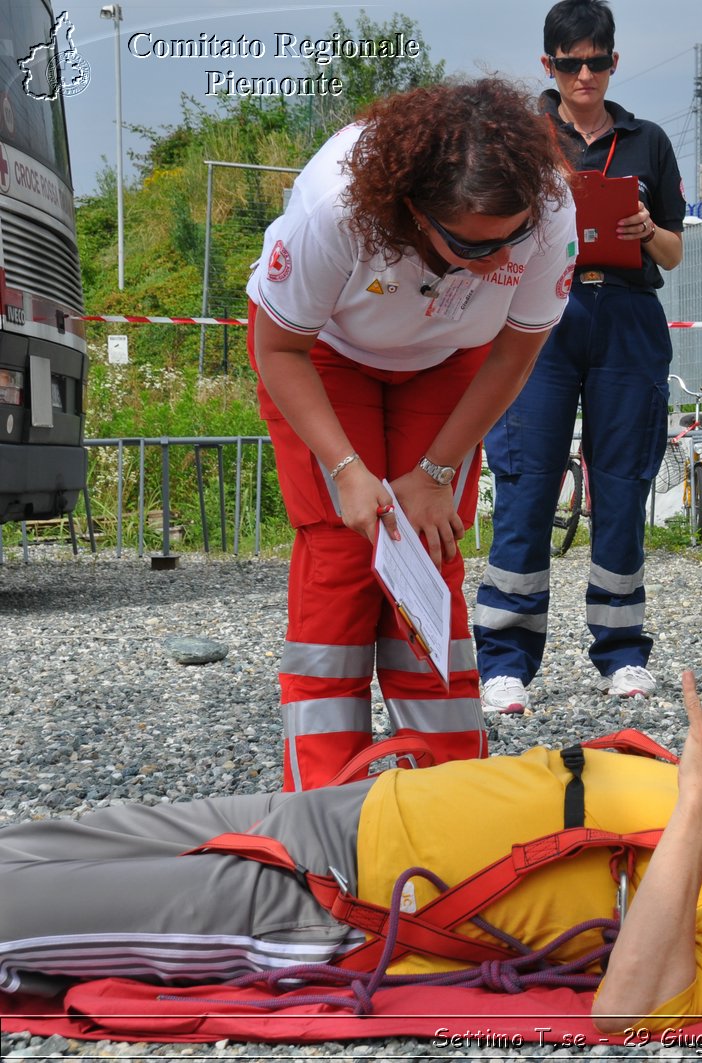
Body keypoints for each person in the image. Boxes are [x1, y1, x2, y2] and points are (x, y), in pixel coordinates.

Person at [0, 659, 702, 1033]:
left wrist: (695, 810)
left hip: (335, 902)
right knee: (25, 847)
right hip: (337, 815)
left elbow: (633, 1009)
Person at [246, 79, 577, 791]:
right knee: (343, 547)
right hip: (325, 355)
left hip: (451, 359)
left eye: (510, 239)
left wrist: (436, 472)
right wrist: (344, 469)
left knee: (429, 544)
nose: (494, 264)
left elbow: (516, 352)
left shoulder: (550, 211)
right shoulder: (335, 211)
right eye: (467, 244)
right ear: (411, 209)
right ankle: (325, 796)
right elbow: (279, 349)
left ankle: (451, 788)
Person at [474, 0, 687, 711]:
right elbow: (484, 231)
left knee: (621, 486)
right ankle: (504, 661)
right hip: (542, 315)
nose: (584, 74)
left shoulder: (649, 140)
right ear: (550, 66)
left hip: (626, 312)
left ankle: (622, 654)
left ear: (614, 63)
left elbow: (675, 252)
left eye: (597, 61)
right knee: (527, 483)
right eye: (570, 63)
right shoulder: (522, 138)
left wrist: (646, 226)